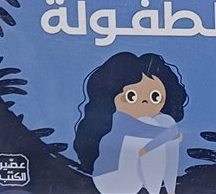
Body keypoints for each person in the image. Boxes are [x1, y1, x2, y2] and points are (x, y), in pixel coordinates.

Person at [73, 52, 188, 194]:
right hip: (110, 179)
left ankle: (167, 188)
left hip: (131, 177)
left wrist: (170, 134)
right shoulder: (121, 119)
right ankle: (154, 189)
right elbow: (148, 132)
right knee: (158, 130)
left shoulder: (160, 120)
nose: (145, 102)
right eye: (131, 96)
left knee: (165, 122)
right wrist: (171, 135)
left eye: (155, 97)